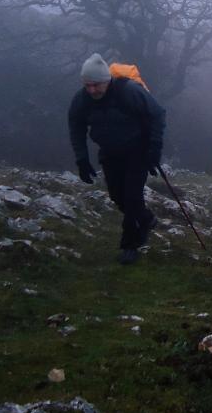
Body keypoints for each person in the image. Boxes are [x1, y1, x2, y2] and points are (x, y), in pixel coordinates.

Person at [68, 53, 166, 265]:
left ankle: (130, 245)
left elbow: (157, 114)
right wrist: (82, 159)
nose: (92, 90)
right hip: (110, 152)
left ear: (107, 81)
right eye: (88, 85)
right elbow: (75, 125)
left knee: (132, 196)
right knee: (117, 196)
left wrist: (154, 150)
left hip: (136, 151)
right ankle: (147, 218)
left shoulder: (128, 92)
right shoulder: (82, 99)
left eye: (96, 85)